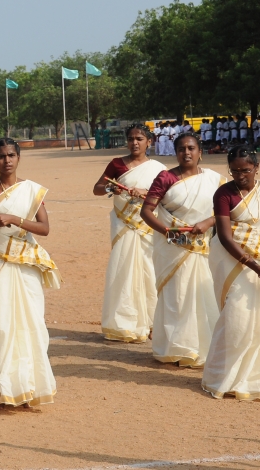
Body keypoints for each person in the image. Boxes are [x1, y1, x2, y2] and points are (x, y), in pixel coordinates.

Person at [0, 138, 59, 407]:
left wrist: (15, 219)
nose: (7, 161)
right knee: (1, 322)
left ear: (18, 158)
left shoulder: (30, 191)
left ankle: (30, 386)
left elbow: (44, 228)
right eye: (1, 156)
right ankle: (0, 388)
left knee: (31, 321)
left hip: (25, 263)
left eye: (11, 155)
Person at [202, 147, 260, 400]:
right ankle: (225, 376)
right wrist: (257, 269)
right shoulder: (224, 193)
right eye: (235, 170)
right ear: (229, 169)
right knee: (237, 316)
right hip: (232, 259)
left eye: (246, 170)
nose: (241, 175)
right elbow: (223, 235)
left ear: (256, 168)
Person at [140, 133, 224, 367]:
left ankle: (203, 348)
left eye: (191, 148)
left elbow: (228, 212)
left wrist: (208, 222)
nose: (186, 153)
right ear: (175, 152)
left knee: (203, 292)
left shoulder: (215, 180)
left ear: (200, 152)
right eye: (181, 149)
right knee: (176, 297)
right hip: (172, 249)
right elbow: (146, 212)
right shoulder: (165, 178)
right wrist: (167, 231)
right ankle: (173, 348)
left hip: (203, 247)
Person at [92, 124, 166, 343]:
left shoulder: (158, 168)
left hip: (148, 227)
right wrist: (110, 188)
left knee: (150, 271)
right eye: (131, 138)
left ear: (149, 142)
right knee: (122, 269)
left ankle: (154, 322)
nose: (135, 143)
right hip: (123, 226)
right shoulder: (116, 164)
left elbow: (167, 194)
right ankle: (123, 325)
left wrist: (147, 192)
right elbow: (97, 187)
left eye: (140, 139)